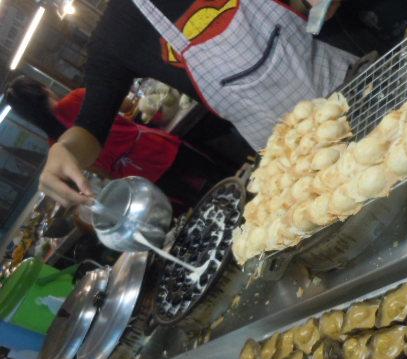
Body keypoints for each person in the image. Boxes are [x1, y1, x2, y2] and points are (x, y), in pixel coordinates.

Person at [37, 0, 361, 207]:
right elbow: (91, 127)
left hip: (354, 85)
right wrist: (66, 150)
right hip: (292, 155)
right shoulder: (117, 37)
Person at [5, 76, 222, 208]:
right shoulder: (77, 97)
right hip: (156, 148)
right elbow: (127, 105)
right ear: (44, 88)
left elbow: (102, 172)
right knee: (215, 172)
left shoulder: (56, 145)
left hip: (140, 176)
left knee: (198, 201)